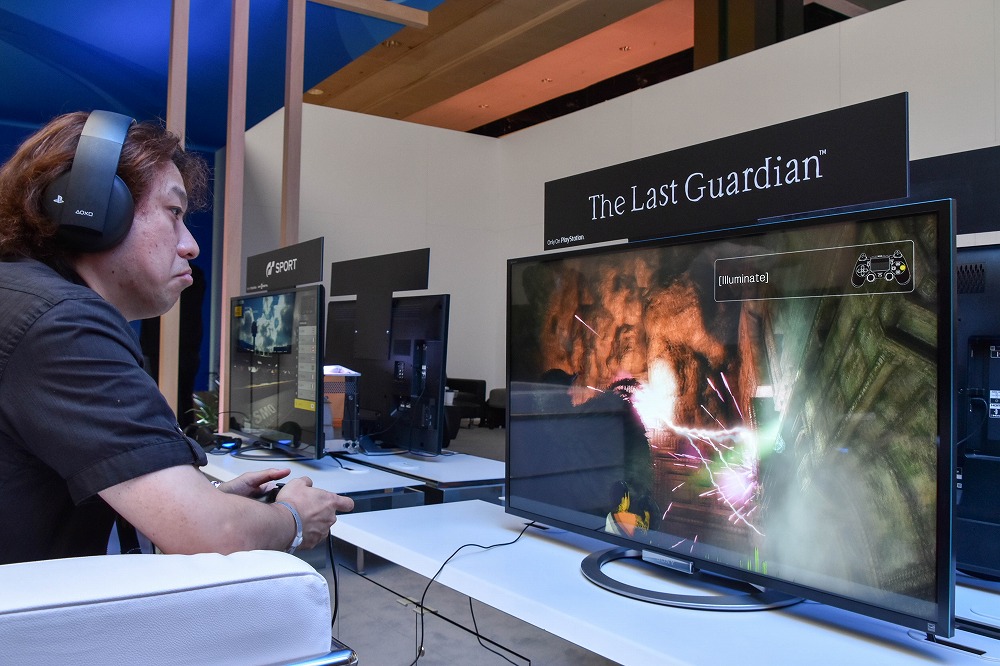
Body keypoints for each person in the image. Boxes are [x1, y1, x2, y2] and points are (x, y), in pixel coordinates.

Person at [0, 110, 354, 565]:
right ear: (94, 207)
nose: (191, 245)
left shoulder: (22, 295)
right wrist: (294, 518)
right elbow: (210, 534)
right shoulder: (64, 324)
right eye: (174, 213)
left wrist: (199, 498)